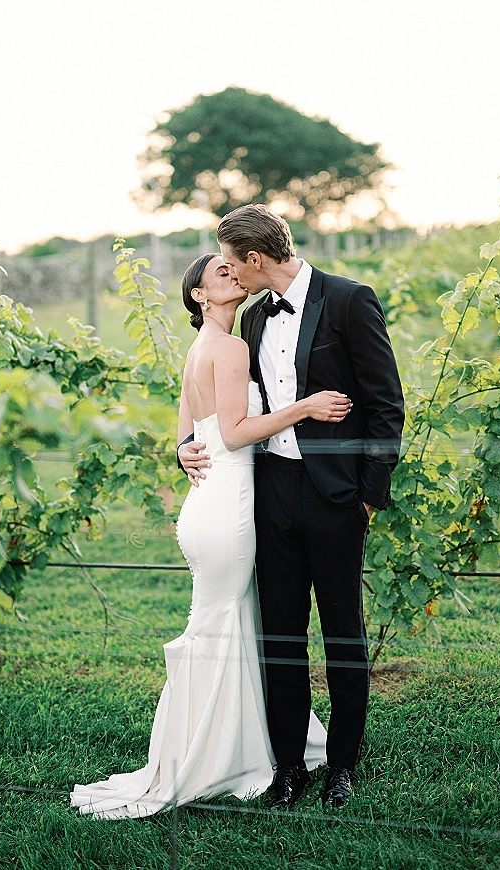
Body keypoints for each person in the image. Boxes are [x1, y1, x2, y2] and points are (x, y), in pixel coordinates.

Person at [70, 253, 352, 818]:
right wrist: (306, 407)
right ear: (199, 296)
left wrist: (183, 451)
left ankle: (229, 744)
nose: (234, 274)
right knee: (225, 625)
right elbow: (235, 431)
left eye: (233, 268)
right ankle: (212, 756)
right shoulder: (230, 347)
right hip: (228, 507)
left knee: (224, 625)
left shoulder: (200, 347)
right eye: (220, 273)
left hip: (206, 503)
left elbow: (188, 424)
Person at [179, 205, 404, 809]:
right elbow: (218, 405)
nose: (229, 272)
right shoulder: (251, 318)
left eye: (233, 263)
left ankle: (342, 765)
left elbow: (386, 403)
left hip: (337, 496)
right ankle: (288, 768)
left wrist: (368, 496)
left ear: (255, 260)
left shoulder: (349, 300)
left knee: (343, 633)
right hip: (269, 492)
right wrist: (186, 446)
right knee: (279, 634)